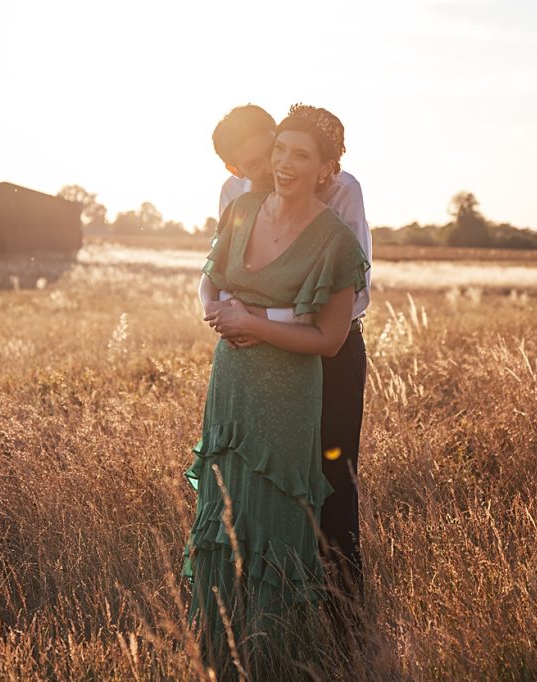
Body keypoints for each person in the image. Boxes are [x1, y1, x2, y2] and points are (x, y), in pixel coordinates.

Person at [183, 104, 369, 675]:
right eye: (252, 165)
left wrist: (259, 318)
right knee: (237, 488)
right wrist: (219, 312)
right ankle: (237, 629)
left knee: (326, 488)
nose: (269, 170)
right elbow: (219, 270)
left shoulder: (339, 195)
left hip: (321, 362)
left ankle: (341, 631)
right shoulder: (239, 195)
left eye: (272, 155)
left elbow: (344, 301)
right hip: (243, 358)